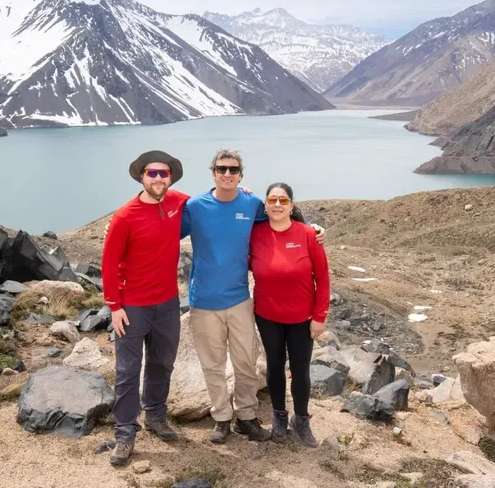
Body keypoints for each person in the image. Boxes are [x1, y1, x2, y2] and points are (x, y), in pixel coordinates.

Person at [181, 149, 326, 444]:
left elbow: (282, 217)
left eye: (233, 170)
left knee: (246, 363)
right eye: (222, 169)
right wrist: (119, 227)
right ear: (213, 172)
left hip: (239, 300)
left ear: (241, 175)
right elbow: (165, 230)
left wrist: (312, 227)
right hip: (204, 301)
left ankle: (246, 417)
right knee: (213, 365)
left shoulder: (250, 203)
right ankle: (222, 418)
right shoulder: (195, 206)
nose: (227, 174)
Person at [101, 150, 189, 466]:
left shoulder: (177, 201)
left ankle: (155, 416)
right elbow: (109, 262)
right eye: (152, 173)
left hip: (167, 303)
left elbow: (213, 202)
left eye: (164, 173)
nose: (158, 178)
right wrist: (114, 306)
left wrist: (241, 191)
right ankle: (125, 435)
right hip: (133, 306)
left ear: (171, 178)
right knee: (127, 371)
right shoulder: (126, 216)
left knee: (162, 362)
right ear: (141, 176)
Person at [248, 182, 330, 447]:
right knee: (274, 366)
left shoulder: (308, 234)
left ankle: (301, 418)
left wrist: (319, 316)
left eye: (283, 200)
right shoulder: (255, 233)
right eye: (272, 200)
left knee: (300, 369)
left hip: (302, 318)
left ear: (291, 206)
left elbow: (323, 278)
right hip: (267, 315)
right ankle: (280, 416)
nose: (277, 205)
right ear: (265, 205)